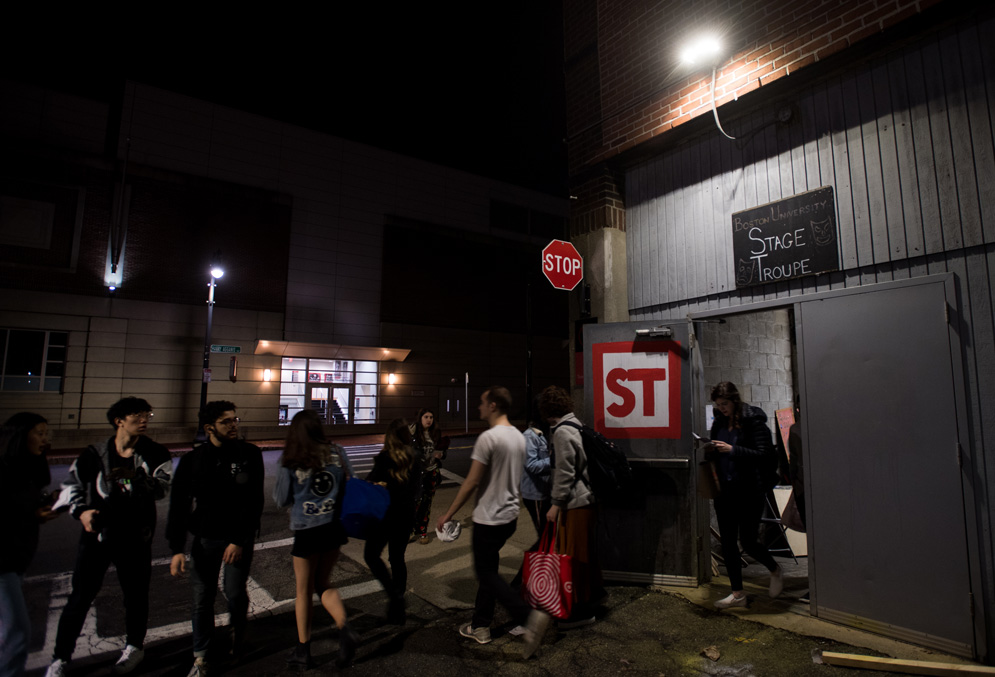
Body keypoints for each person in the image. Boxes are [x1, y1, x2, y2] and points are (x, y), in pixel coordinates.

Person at [45, 397, 172, 677]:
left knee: (136, 596)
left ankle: (135, 647)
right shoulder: (94, 453)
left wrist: (139, 481)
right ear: (119, 421)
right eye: (137, 415)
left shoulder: (154, 452)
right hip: (96, 536)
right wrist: (81, 513)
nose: (144, 420)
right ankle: (60, 659)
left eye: (146, 414)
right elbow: (71, 486)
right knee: (80, 597)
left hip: (136, 537)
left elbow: (163, 487)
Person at [436, 386, 544, 658]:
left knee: (486, 573)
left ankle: (527, 617)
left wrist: (448, 514)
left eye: (482, 403)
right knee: (490, 569)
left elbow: (472, 481)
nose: (478, 407)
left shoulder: (489, 438)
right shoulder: (519, 437)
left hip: (489, 517)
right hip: (509, 516)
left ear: (493, 405)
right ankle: (480, 625)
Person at [166, 401, 264, 676]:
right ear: (210, 428)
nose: (234, 425)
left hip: (237, 539)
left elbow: (254, 501)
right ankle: (201, 655)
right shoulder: (193, 461)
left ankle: (238, 635)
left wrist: (238, 539)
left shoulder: (249, 454)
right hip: (205, 538)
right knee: (202, 597)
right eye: (226, 422)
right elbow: (179, 505)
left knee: (234, 592)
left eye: (235, 419)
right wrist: (176, 548)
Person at [274, 409, 359, 669]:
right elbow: (350, 482)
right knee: (323, 582)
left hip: (306, 529)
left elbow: (281, 498)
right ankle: (345, 629)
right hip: (332, 527)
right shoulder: (336, 452)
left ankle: (303, 651)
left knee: (303, 591)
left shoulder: (291, 458)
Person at [705, 382, 782, 609]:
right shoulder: (719, 421)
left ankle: (775, 569)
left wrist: (733, 449)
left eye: (725, 404)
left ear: (735, 400)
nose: (721, 408)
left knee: (748, 541)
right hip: (725, 492)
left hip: (749, 491)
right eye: (718, 405)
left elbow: (764, 454)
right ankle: (737, 594)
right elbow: (718, 451)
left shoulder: (753, 422)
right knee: (728, 542)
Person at [1, 413, 60, 677]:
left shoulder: (28, 467)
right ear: (20, 435)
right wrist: (32, 514)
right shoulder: (3, 469)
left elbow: (27, 504)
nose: (45, 438)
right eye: (39, 432)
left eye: (46, 432)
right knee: (17, 632)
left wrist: (47, 505)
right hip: (2, 562)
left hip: (17, 558)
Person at [538, 385, 602, 629]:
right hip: (586, 500)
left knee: (573, 559)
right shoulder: (576, 424)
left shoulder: (562, 432)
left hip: (575, 503)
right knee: (584, 556)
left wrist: (555, 504)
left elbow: (564, 473)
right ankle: (592, 600)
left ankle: (580, 612)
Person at [364, 419, 420, 624]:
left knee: (371, 554)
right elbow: (416, 489)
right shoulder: (414, 458)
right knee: (397, 558)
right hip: (406, 515)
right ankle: (399, 596)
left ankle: (394, 596)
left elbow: (371, 483)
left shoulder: (384, 458)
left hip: (385, 515)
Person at [409, 408, 449, 544]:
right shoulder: (413, 433)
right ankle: (409, 530)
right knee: (414, 502)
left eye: (431, 417)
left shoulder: (435, 433)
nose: (429, 420)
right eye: (426, 417)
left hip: (431, 473)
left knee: (426, 503)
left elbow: (443, 452)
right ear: (420, 418)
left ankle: (422, 531)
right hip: (416, 474)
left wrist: (441, 454)